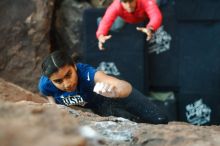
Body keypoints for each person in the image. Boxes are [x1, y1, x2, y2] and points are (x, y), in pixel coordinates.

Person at [38, 50, 168, 124]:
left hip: (113, 93)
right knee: (132, 123)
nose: (66, 84)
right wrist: (54, 106)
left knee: (160, 119)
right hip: (99, 106)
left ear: (74, 66)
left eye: (68, 75)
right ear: (50, 81)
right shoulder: (45, 85)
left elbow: (124, 87)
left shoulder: (87, 74)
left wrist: (115, 92)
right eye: (58, 81)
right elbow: (48, 94)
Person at [96, 0, 162, 50]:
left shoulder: (146, 1)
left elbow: (155, 16)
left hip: (145, 13)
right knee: (117, 26)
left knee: (158, 3)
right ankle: (100, 20)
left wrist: (151, 28)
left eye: (131, 1)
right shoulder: (116, 6)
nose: (128, 5)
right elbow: (106, 20)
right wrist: (101, 34)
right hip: (127, 18)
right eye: (125, 2)